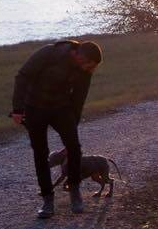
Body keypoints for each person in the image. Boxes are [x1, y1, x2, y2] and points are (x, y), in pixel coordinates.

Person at [12, 39, 103, 218]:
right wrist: (17, 109)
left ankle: (75, 192)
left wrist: (72, 129)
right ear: (79, 57)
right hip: (34, 108)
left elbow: (79, 99)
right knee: (40, 153)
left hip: (61, 108)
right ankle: (47, 200)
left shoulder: (85, 70)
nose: (90, 70)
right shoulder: (49, 53)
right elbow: (22, 76)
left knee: (74, 148)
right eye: (89, 65)